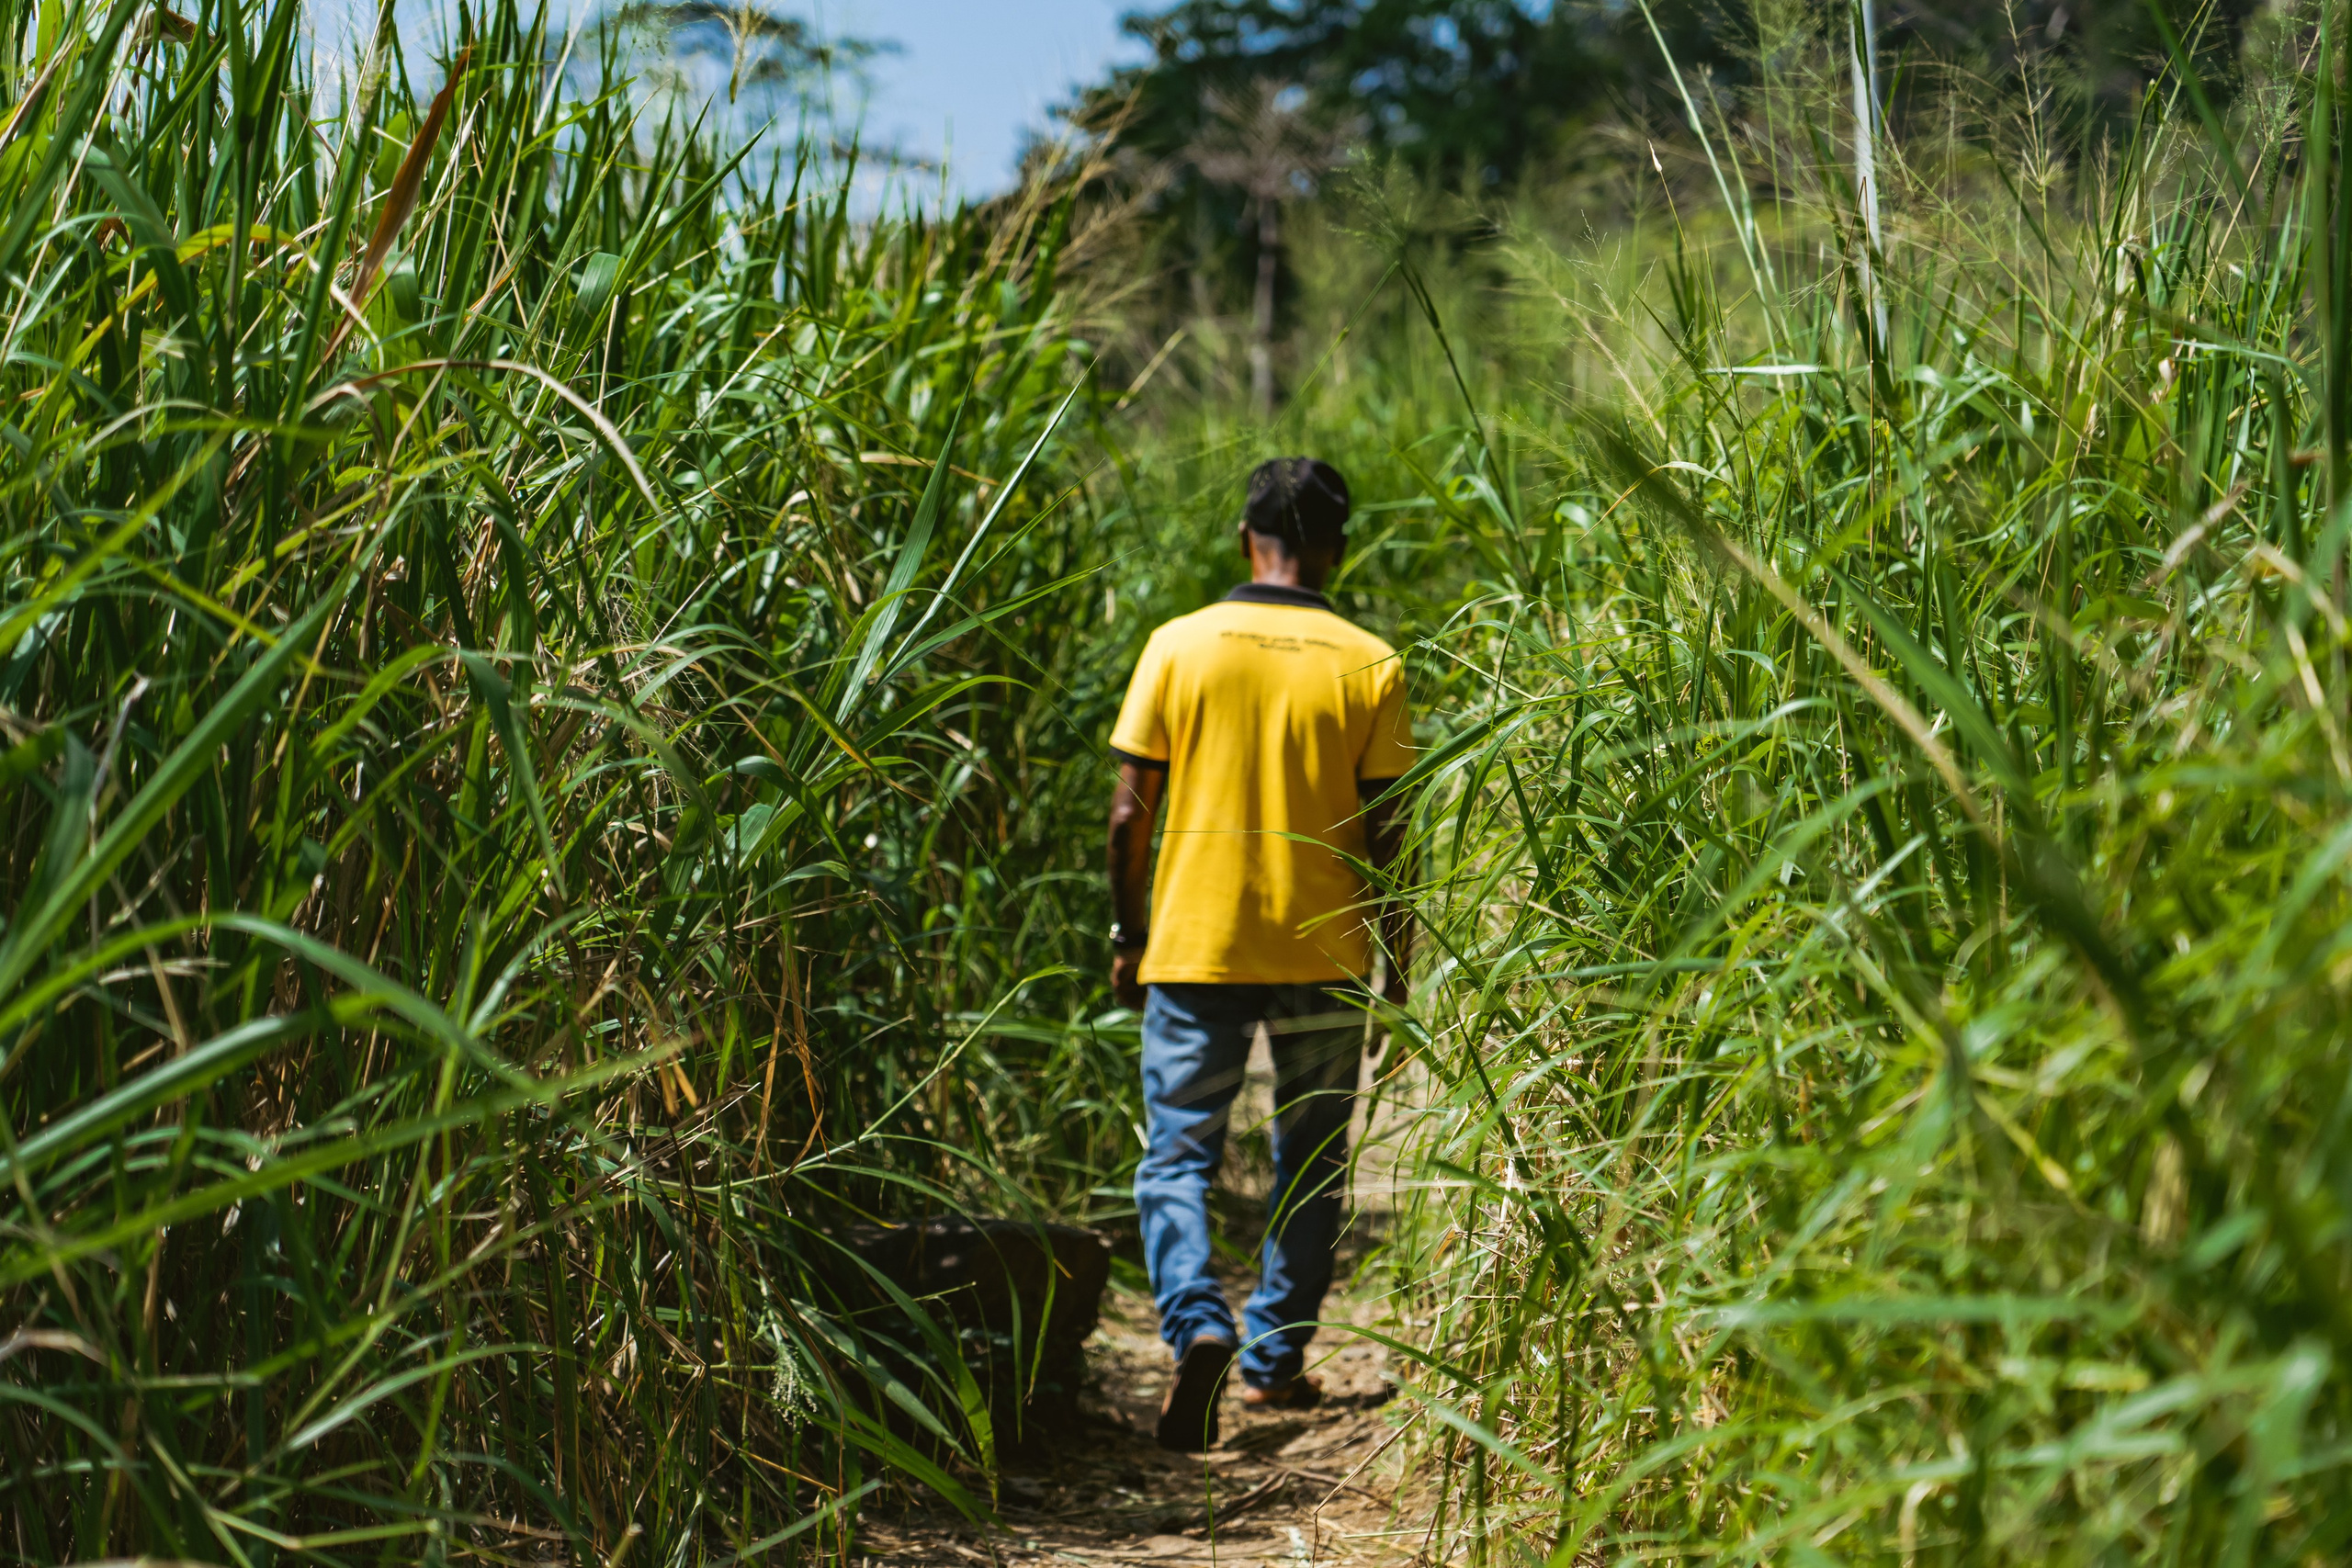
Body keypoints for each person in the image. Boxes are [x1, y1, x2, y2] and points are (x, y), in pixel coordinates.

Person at [1105, 457, 1414, 1453]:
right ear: (1337, 547)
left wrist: (1129, 932)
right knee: (1312, 1159)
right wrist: (1398, 964)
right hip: (1325, 947)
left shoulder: (1178, 647)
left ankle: (1197, 1320)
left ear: (1246, 539)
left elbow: (1126, 815)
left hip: (1195, 945)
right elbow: (1388, 835)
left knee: (1175, 1159)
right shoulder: (1368, 661)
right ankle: (1273, 1364)